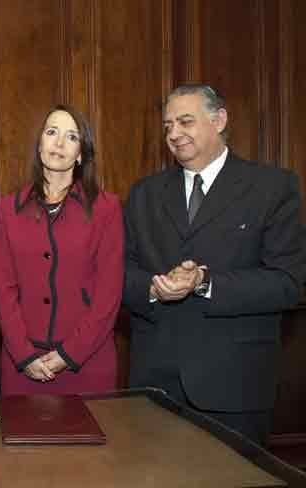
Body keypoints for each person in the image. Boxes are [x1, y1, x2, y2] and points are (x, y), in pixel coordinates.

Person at [123, 84, 306, 444]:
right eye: (167, 126)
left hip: (235, 387)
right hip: (155, 387)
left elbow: (287, 282)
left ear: (219, 119)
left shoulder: (272, 187)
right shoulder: (144, 193)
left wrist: (206, 282)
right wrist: (152, 287)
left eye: (185, 122)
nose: (173, 134)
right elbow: (120, 273)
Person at [0, 105, 124, 396]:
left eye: (72, 136)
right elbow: (4, 288)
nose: (59, 142)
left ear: (80, 154)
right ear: (39, 145)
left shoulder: (106, 208)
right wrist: (23, 354)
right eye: (52, 132)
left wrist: (69, 354)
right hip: (23, 365)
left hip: (87, 363)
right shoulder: (7, 210)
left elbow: (109, 294)